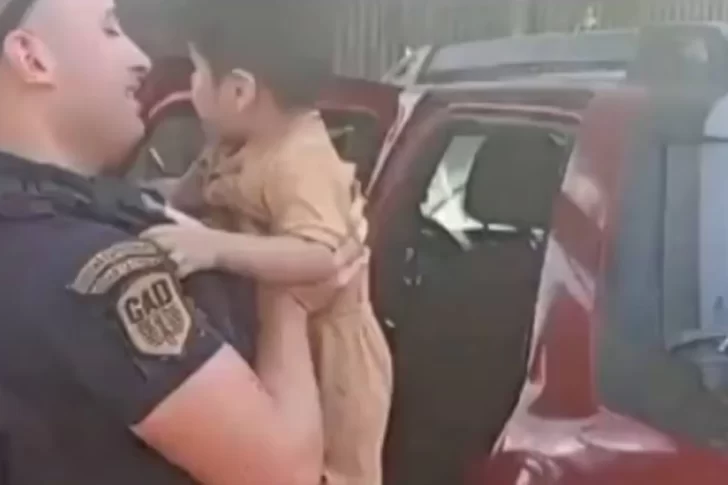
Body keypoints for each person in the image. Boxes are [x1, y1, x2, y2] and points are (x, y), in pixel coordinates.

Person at [0, 0, 361, 483]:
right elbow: (286, 473)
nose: (142, 59)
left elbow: (166, 200)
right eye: (110, 30)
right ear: (32, 58)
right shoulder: (89, 267)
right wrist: (287, 295)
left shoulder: (55, 212)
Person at [143, 4, 393, 485]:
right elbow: (184, 196)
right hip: (271, 345)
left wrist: (213, 246)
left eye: (196, 71)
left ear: (239, 91)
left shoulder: (301, 157)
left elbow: (321, 254)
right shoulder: (232, 145)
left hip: (330, 358)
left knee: (333, 470)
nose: (191, 85)